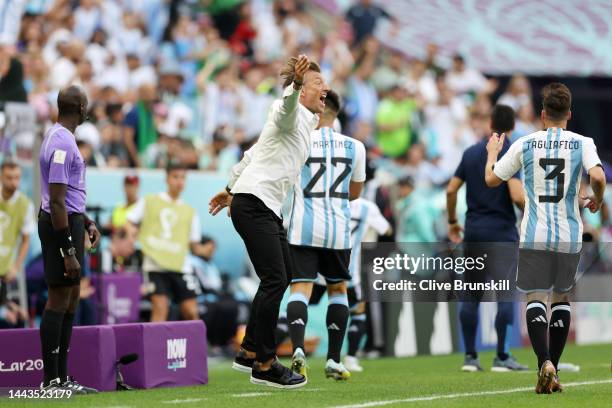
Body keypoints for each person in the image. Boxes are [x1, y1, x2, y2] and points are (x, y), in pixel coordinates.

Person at [209, 54, 329, 389]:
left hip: (257, 202)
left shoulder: (305, 122)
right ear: (301, 89)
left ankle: (248, 350)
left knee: (283, 275)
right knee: (275, 278)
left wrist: (230, 188)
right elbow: (287, 110)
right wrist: (293, 87)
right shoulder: (285, 109)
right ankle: (265, 362)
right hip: (256, 204)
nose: (326, 88)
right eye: (318, 83)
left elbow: (254, 154)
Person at [484, 83, 606, 393]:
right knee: (562, 298)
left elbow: (491, 179)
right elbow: (599, 177)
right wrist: (597, 198)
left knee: (535, 296)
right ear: (569, 114)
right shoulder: (582, 142)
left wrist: (492, 154)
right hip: (568, 234)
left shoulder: (525, 144)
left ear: (542, 114)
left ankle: (544, 363)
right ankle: (554, 368)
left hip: (534, 233)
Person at [285, 90, 366, 380]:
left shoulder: (300, 141)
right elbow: (355, 193)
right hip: (337, 229)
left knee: (301, 289)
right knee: (338, 290)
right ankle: (333, 359)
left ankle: (297, 349)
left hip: (304, 226)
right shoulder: (356, 147)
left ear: (316, 112)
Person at [446, 105, 528, 372]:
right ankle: (503, 357)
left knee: (470, 294)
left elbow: (451, 190)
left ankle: (470, 356)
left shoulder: (471, 152)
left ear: (490, 122)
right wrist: (532, 214)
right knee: (505, 295)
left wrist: (452, 222)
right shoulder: (512, 152)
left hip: (474, 232)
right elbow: (517, 196)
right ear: (513, 125)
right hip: (502, 233)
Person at [37, 85, 101, 393]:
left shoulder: (63, 138)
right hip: (58, 224)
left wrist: (86, 220)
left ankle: (63, 377)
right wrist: (68, 250)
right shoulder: (61, 141)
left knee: (72, 297)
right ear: (79, 107)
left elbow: (67, 199)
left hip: (70, 221)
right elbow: (57, 200)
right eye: (86, 102)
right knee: (59, 298)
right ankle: (51, 380)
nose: (88, 107)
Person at [127, 163, 201, 322]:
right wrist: (131, 232)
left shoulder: (190, 212)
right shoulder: (150, 201)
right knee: (160, 309)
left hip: (180, 266)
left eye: (183, 178)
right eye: (175, 177)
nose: (179, 181)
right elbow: (130, 221)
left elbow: (194, 246)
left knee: (191, 312)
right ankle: (155, 347)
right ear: (167, 179)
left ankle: (194, 346)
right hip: (155, 266)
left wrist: (205, 250)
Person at [343, 197, 391, 372]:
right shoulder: (366, 206)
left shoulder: (327, 198)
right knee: (358, 310)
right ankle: (349, 358)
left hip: (319, 267)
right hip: (348, 270)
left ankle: (267, 355)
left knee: (300, 304)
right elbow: (387, 229)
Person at [0, 160, 35, 306]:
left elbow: (26, 240)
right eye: (9, 178)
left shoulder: (25, 205)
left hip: (5, 266)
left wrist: (16, 267)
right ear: (1, 177)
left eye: (17, 178)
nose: (14, 182)